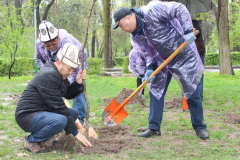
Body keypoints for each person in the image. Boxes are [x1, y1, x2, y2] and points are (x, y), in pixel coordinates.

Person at [112, 1, 209, 140]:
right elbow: (147, 52)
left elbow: (179, 8)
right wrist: (149, 69)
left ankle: (200, 127)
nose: (122, 29)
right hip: (161, 61)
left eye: (120, 25)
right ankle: (154, 127)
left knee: (192, 91)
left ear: (128, 18)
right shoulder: (136, 35)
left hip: (182, 54)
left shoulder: (153, 11)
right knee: (155, 91)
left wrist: (188, 30)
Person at [15, 43, 92, 153]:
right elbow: (59, 107)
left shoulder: (58, 73)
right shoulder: (49, 75)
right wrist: (76, 132)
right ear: (60, 63)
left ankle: (44, 138)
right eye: (69, 69)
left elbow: (67, 93)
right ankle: (32, 140)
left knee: (73, 113)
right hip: (27, 115)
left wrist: (77, 83)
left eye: (73, 70)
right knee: (60, 120)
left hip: (41, 111)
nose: (70, 73)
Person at [35, 20, 87, 125]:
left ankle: (79, 120)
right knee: (56, 90)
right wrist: (48, 71)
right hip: (56, 66)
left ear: (58, 37)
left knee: (76, 87)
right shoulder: (38, 43)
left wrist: (69, 82)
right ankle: (62, 118)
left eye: (54, 43)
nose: (52, 47)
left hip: (75, 62)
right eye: (47, 45)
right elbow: (38, 58)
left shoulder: (67, 42)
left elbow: (79, 58)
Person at [192, 19, 206, 101]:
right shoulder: (181, 24)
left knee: (199, 73)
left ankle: (199, 97)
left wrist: (191, 34)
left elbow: (198, 31)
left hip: (198, 51)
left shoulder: (195, 23)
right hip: (188, 52)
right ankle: (187, 96)